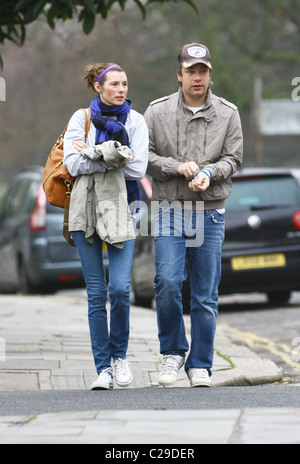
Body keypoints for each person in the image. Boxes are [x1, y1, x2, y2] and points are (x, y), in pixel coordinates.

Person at [144, 43, 243, 388]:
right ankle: (172, 352)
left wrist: (211, 172)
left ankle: (200, 363)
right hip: (170, 208)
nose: (197, 77)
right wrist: (175, 166)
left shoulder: (229, 113)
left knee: (205, 293)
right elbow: (144, 157)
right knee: (168, 283)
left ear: (210, 75)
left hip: (210, 211)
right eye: (191, 71)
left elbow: (234, 158)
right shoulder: (156, 113)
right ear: (179, 75)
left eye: (203, 71)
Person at [63, 63, 149, 390]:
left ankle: (120, 357)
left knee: (120, 290)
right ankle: (103, 368)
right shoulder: (80, 118)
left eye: (125, 83)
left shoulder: (136, 121)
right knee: (97, 294)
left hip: (123, 209)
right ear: (99, 87)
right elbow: (72, 163)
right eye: (114, 83)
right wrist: (114, 154)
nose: (121, 89)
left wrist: (93, 154)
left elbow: (137, 168)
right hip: (84, 209)